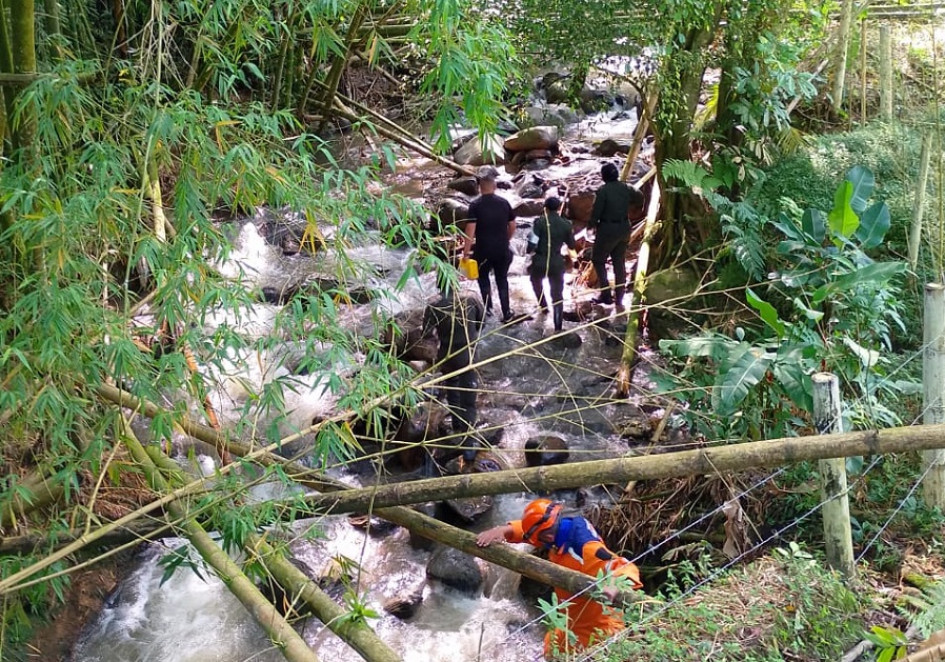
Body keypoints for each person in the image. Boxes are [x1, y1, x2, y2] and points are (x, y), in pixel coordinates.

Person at [476, 498, 642, 658]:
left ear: (547, 536)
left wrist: (614, 585)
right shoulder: (563, 526)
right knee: (551, 647)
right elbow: (533, 531)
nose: (536, 542)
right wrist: (506, 530)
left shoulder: (585, 549)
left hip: (597, 628)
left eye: (540, 539)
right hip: (572, 621)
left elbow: (623, 566)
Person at [422, 288, 485, 473]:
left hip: (447, 353)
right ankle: (469, 444)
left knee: (451, 383)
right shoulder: (471, 298)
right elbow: (482, 322)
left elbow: (426, 333)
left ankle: (457, 424)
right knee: (469, 400)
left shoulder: (434, 305)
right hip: (469, 353)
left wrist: (440, 334)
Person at [464, 165, 517, 323]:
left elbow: (470, 230)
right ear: (494, 185)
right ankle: (507, 312)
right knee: (502, 279)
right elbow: (513, 225)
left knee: (484, 279)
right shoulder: (504, 203)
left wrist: (466, 253)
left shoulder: (475, 206)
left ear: (479, 187)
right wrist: (506, 239)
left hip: (483, 251)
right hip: (502, 250)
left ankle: (488, 312)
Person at [587, 162, 645, 308]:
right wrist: (635, 209)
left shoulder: (603, 191)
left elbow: (596, 212)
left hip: (607, 229)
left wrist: (591, 226)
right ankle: (619, 297)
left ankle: (606, 295)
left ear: (603, 176)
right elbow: (640, 196)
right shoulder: (626, 188)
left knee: (598, 260)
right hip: (625, 227)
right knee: (619, 261)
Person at [527, 198, 576, 332]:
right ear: (559, 208)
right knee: (557, 295)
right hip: (557, 262)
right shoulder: (566, 224)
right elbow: (571, 245)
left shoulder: (540, 222)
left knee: (535, 280)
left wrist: (529, 249)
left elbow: (531, 245)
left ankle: (543, 306)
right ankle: (558, 328)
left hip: (540, 261)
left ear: (545, 208)